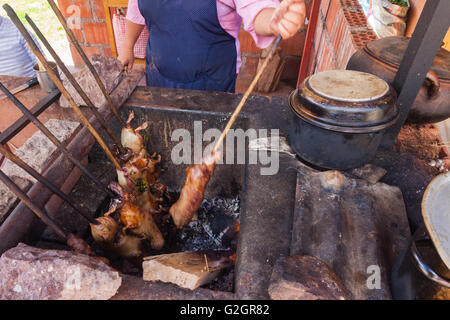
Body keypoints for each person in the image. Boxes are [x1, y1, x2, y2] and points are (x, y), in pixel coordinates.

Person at [119, 0, 306, 92]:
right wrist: (127, 46)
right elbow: (136, 9)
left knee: (207, 146)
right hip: (159, 76)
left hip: (211, 84)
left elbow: (258, 9)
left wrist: (273, 19)